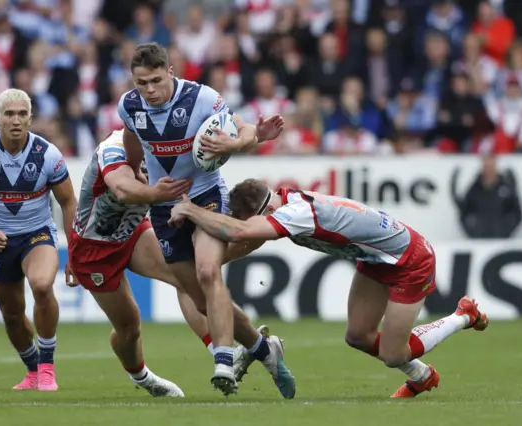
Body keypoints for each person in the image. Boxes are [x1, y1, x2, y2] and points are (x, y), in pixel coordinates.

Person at [169, 178, 490, 398]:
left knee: (394, 353)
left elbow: (238, 233)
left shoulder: (295, 213)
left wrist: (189, 210)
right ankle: (422, 377)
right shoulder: (286, 203)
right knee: (357, 337)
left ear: (262, 211)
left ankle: (463, 314)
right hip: (377, 259)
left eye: (249, 220)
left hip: (410, 260)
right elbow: (243, 235)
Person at [118, 42, 294, 397]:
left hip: (207, 197)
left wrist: (239, 142)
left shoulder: (202, 99)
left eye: (155, 80)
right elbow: (130, 135)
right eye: (141, 83)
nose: (149, 90)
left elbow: (242, 128)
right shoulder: (129, 105)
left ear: (171, 72)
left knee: (208, 271)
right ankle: (264, 349)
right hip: (164, 208)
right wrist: (137, 172)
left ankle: (224, 361)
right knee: (199, 300)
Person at [65, 129, 291, 398]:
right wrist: (155, 192)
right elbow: (123, 190)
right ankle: (143, 377)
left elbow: (226, 128)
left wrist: (253, 135)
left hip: (134, 231)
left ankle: (251, 350)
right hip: (94, 247)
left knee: (187, 276)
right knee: (129, 327)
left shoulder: (169, 148)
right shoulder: (113, 149)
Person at [0, 88, 77, 391]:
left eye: (22, 114)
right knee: (11, 314)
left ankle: (47, 366)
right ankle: (33, 369)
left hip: (38, 234)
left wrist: (75, 249)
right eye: (9, 114)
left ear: (31, 118)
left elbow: (69, 203)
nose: (16, 120)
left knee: (42, 285)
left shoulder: (48, 154)